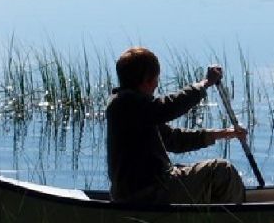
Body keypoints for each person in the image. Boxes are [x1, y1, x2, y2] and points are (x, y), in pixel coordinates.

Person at [106, 47, 248, 205]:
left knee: (201, 176)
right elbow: (168, 107)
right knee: (223, 171)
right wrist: (205, 84)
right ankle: (236, 222)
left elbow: (174, 139)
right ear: (147, 79)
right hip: (150, 192)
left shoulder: (134, 107)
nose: (156, 86)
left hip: (144, 189)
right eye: (156, 79)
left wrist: (224, 133)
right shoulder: (127, 104)